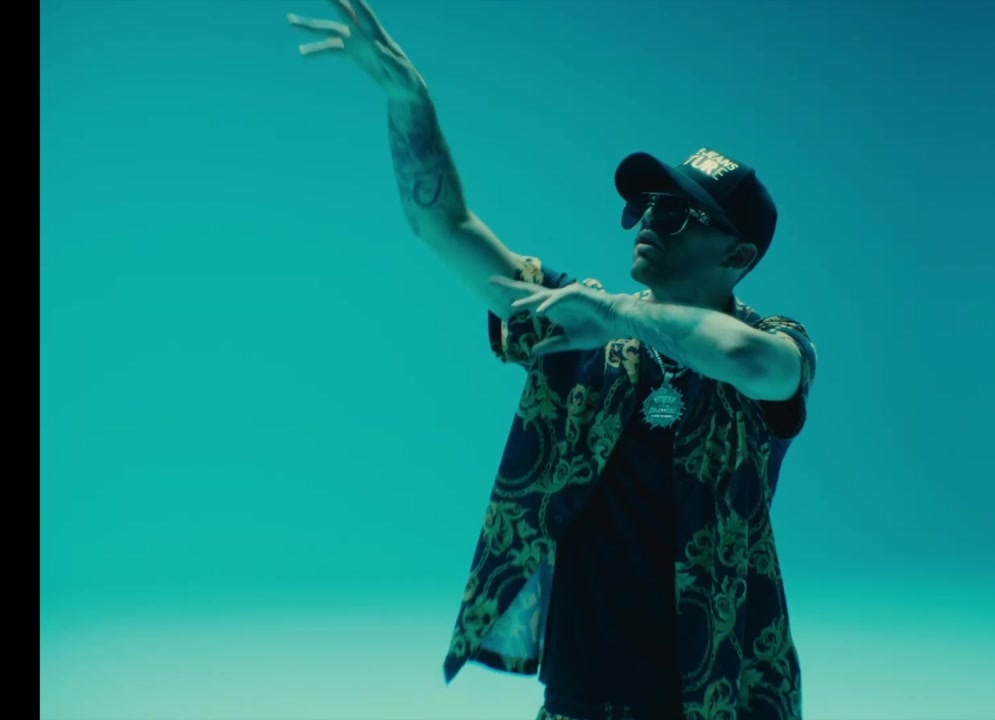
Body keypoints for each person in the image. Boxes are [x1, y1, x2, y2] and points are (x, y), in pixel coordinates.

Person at [289, 2, 817, 718]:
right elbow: (445, 227)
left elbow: (753, 361)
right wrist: (410, 103)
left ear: (738, 255)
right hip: (581, 695)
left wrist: (615, 314)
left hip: (723, 694)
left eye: (676, 213)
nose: (648, 222)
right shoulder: (578, 320)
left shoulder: (768, 339)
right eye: (645, 207)